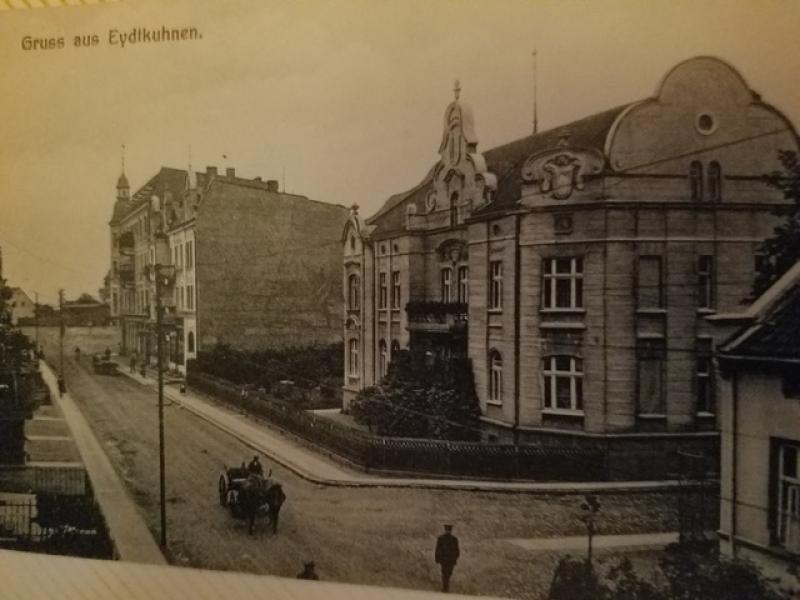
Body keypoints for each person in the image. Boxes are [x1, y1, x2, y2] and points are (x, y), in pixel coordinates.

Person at [435, 524, 460, 593]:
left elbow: (457, 550)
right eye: (447, 530)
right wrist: (437, 558)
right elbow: (437, 549)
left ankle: (445, 587)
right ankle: (445, 588)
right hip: (446, 560)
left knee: (447, 573)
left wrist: (455, 558)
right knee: (445, 573)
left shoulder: (453, 539)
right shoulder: (445, 538)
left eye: (448, 530)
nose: (448, 531)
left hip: (448, 560)